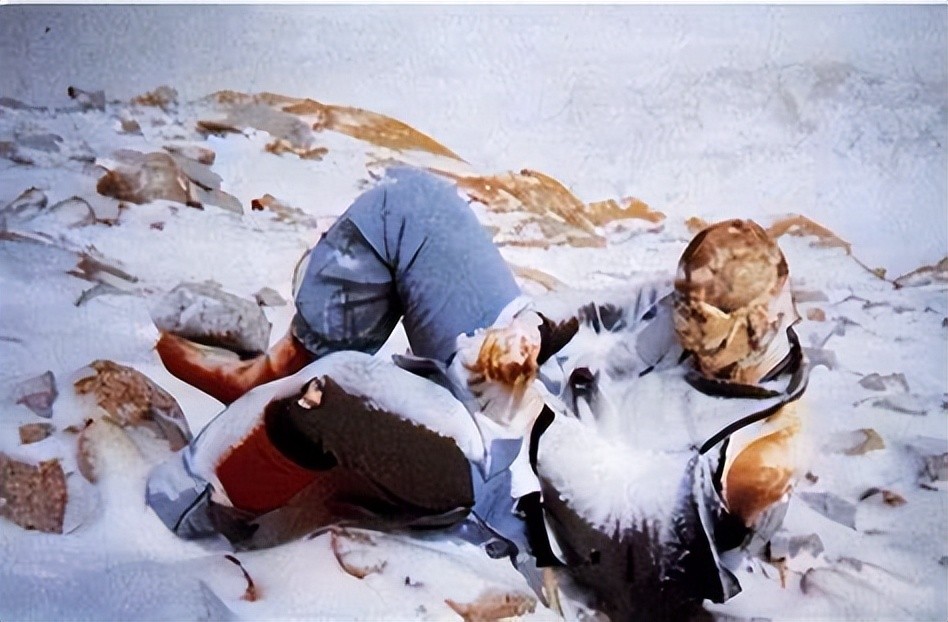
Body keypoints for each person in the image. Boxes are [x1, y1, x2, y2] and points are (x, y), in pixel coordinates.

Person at [147, 168, 809, 618]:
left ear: (760, 323)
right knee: (410, 205)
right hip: (527, 387)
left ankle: (164, 522)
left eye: (701, 324)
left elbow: (632, 564)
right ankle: (269, 371)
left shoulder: (761, 458)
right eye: (682, 309)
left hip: (520, 487)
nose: (682, 325)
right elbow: (598, 311)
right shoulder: (694, 299)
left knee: (331, 397)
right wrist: (530, 333)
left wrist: (529, 415)